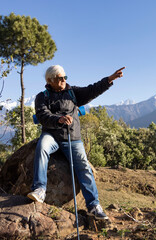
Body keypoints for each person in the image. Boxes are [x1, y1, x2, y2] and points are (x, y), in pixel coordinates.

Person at [27, 65, 125, 220]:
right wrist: (58, 119)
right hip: (51, 135)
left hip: (71, 137)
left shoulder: (72, 92)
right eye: (60, 78)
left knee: (83, 166)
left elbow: (92, 89)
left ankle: (94, 206)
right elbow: (42, 115)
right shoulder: (42, 96)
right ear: (50, 80)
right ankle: (39, 189)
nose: (64, 80)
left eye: (65, 77)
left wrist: (110, 79)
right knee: (42, 148)